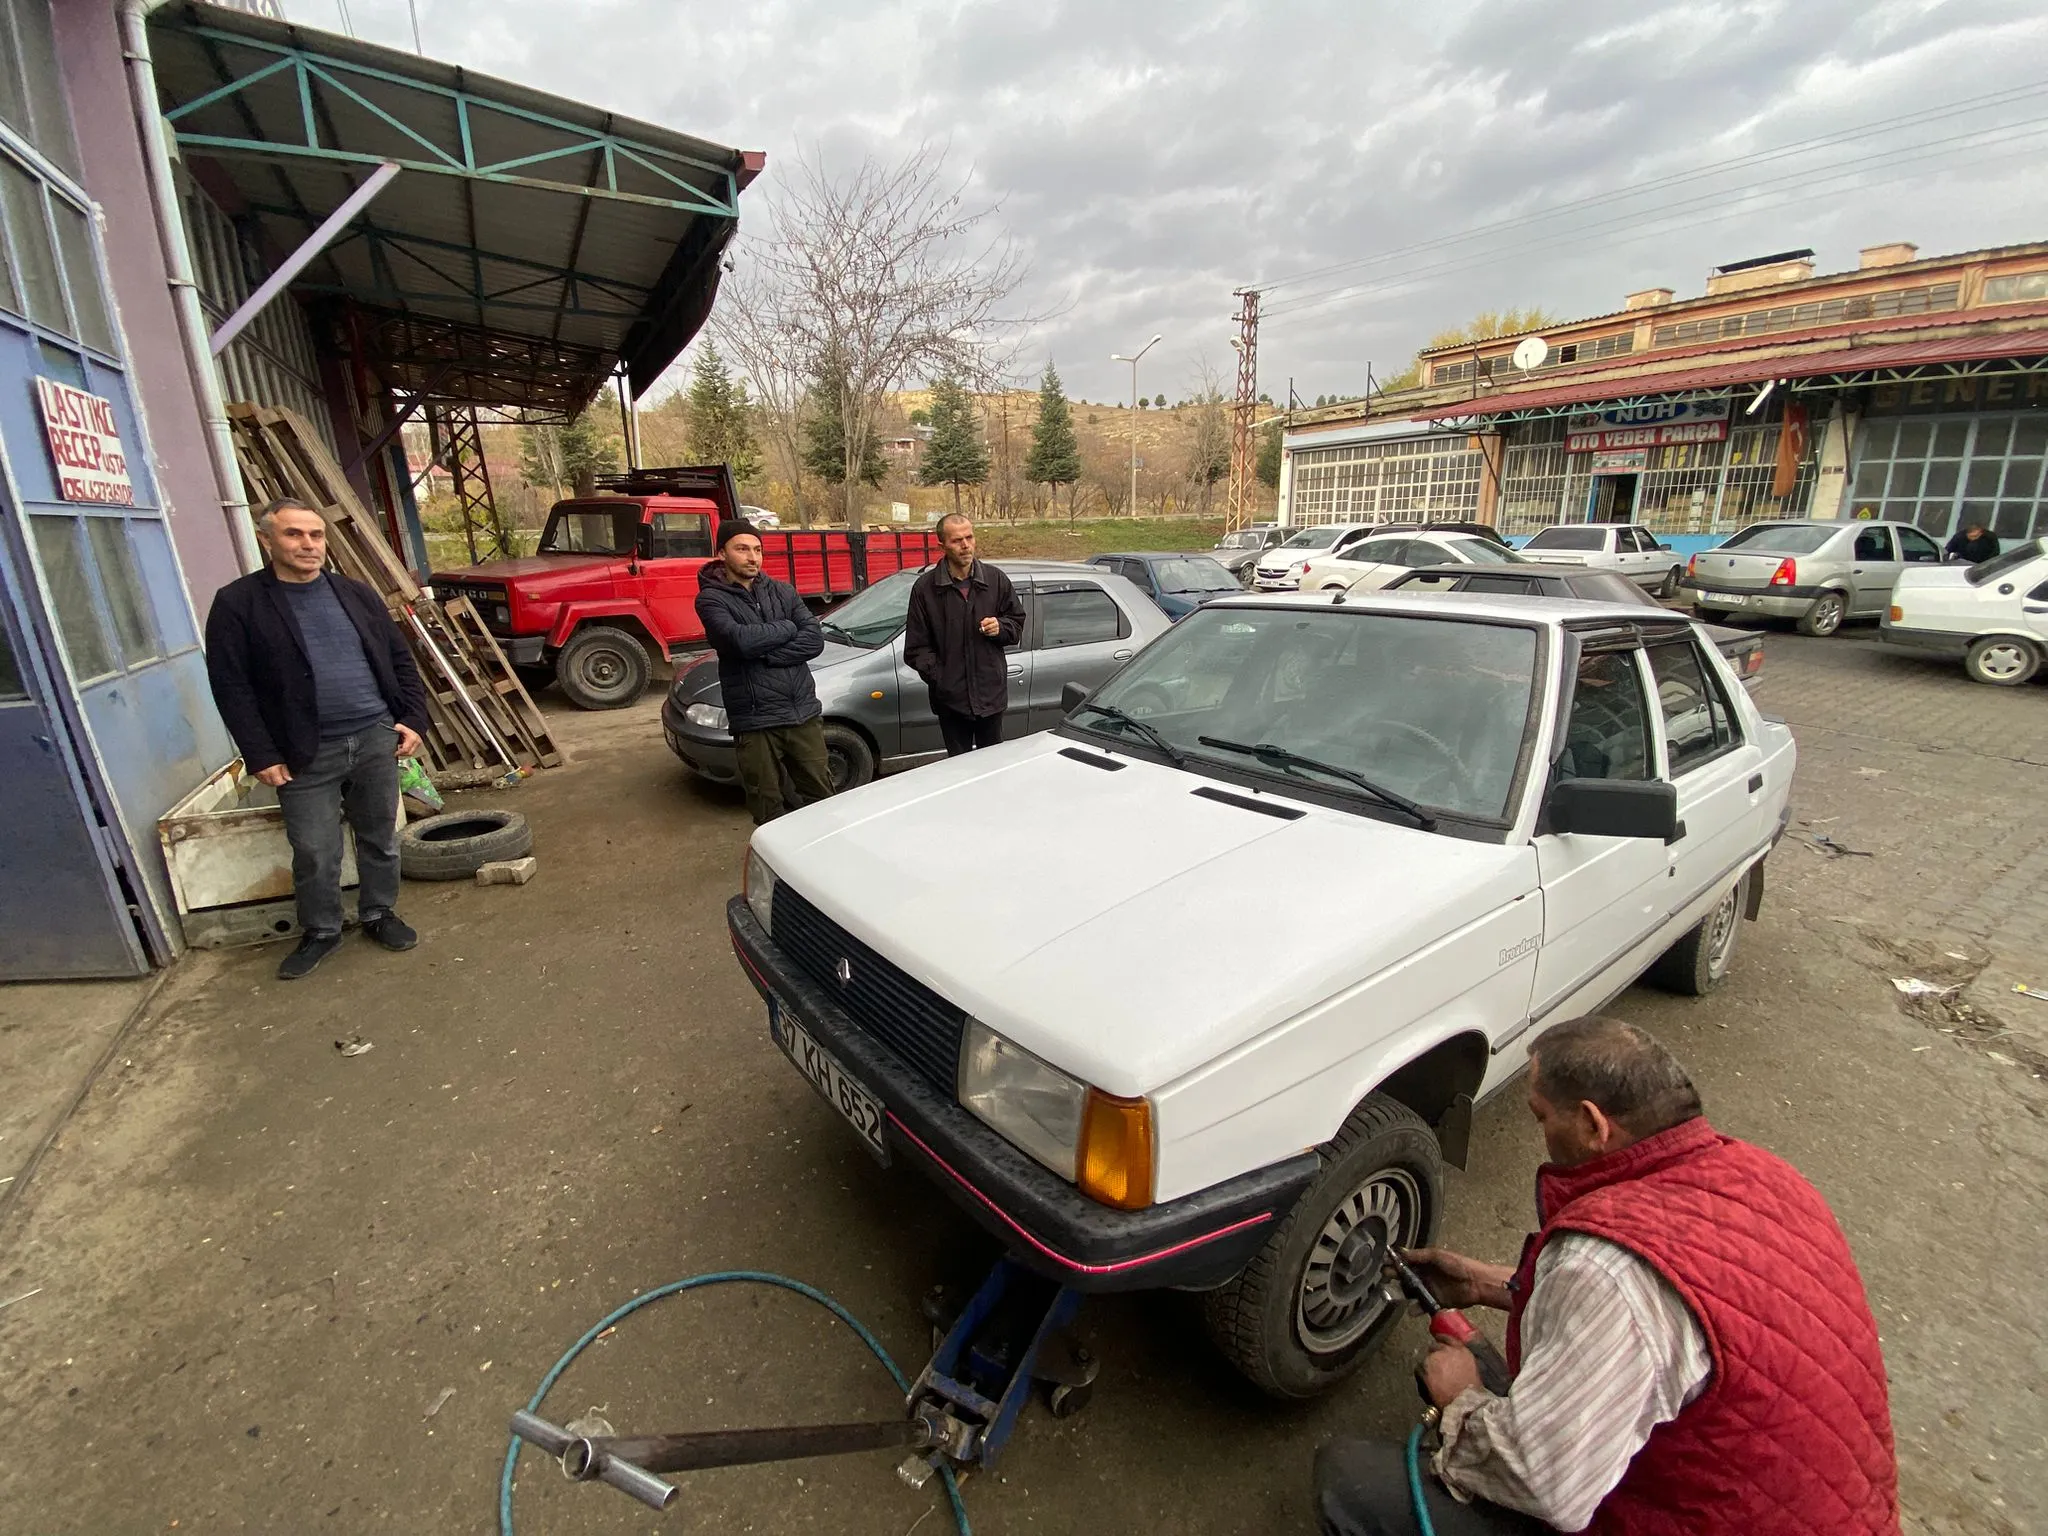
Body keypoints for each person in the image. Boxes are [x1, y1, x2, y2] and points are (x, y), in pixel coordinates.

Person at [1315, 1015, 1900, 1536]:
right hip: (1817, 1502)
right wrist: (1487, 1284)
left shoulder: (1605, 1272)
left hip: (1698, 1515)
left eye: (1541, 1116)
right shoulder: (1761, 1175)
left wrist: (1461, 1400)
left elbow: (1548, 1487)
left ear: (1595, 1125)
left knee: (1348, 1478)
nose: (1538, 1132)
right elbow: (1682, 1303)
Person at [204, 499, 431, 981]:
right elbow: (231, 685)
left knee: (379, 838)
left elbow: (399, 660)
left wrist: (413, 718)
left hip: (374, 737)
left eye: (315, 535)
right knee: (313, 849)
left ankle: (378, 914)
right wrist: (260, 752)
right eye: (294, 535)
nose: (308, 545)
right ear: (267, 541)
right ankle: (323, 930)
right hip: (302, 751)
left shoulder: (355, 594)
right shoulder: (239, 603)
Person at [695, 519, 831, 824]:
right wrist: (787, 627)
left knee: (822, 799)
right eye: (742, 549)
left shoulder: (783, 591)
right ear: (722, 553)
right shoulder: (710, 599)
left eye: (757, 549)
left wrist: (763, 654)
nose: (752, 557)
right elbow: (739, 642)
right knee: (766, 806)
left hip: (801, 714)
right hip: (755, 721)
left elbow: (813, 640)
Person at [904, 513, 1026, 755]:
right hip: (951, 703)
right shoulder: (925, 589)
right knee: (958, 769)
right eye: (956, 540)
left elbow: (1017, 624)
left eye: (969, 537)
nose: (965, 545)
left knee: (991, 767)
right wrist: (943, 679)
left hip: (991, 697)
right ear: (942, 545)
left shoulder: (995, 580)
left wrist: (1001, 628)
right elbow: (916, 649)